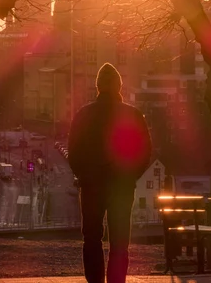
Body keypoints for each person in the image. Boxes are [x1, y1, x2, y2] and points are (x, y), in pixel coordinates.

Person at [68, 63, 152, 283]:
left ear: (98, 87)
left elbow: (73, 152)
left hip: (92, 185)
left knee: (92, 238)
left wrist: (84, 176)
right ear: (119, 86)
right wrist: (131, 176)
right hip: (122, 185)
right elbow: (145, 152)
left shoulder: (83, 115)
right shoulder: (132, 114)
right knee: (120, 241)